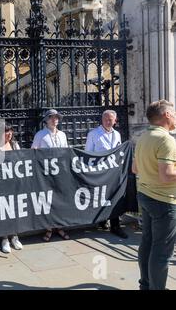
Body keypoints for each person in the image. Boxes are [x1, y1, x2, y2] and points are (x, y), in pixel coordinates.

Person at [132, 100, 176, 290]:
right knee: (162, 251)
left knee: (147, 242)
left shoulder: (143, 137)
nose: (175, 117)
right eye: (173, 113)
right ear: (166, 115)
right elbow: (166, 176)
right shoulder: (166, 139)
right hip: (164, 201)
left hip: (145, 195)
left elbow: (135, 169)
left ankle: (146, 285)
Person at [85, 110, 128, 239]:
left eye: (111, 120)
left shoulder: (117, 134)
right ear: (102, 120)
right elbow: (88, 153)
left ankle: (115, 225)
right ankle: (102, 220)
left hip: (114, 171)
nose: (108, 122)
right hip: (100, 171)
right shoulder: (93, 134)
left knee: (114, 196)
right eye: (106, 119)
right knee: (102, 196)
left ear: (115, 121)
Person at [31, 109, 70, 242]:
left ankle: (59, 226)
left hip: (60, 172)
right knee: (48, 200)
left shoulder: (62, 135)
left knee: (59, 198)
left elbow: (65, 152)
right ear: (46, 120)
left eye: (57, 118)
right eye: (52, 118)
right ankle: (48, 228)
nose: (55, 120)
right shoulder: (40, 135)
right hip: (46, 173)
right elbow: (33, 153)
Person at [0, 124, 23, 253]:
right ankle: (5, 238)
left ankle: (15, 236)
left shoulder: (14, 145)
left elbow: (21, 160)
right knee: (4, 210)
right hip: (0, 184)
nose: (9, 134)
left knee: (15, 210)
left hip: (14, 183)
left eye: (10, 131)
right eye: (6, 131)